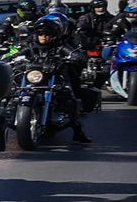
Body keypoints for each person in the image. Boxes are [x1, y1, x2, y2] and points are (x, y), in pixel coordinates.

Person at [22, 17, 92, 145]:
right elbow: (15, 51)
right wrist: (7, 55)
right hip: (34, 78)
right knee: (13, 93)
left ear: (54, 35)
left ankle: (78, 131)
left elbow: (72, 53)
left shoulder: (60, 46)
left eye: (48, 34)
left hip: (55, 78)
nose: (44, 37)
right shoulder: (30, 45)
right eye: (41, 33)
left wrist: (77, 56)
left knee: (68, 97)